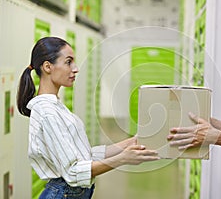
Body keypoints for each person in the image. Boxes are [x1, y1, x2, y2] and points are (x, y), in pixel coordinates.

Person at [17, 37, 160, 199]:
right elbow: (73, 172)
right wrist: (122, 159)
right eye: (68, 62)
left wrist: (131, 142)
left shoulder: (55, 106)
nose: (76, 69)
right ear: (48, 67)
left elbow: (85, 155)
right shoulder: (47, 111)